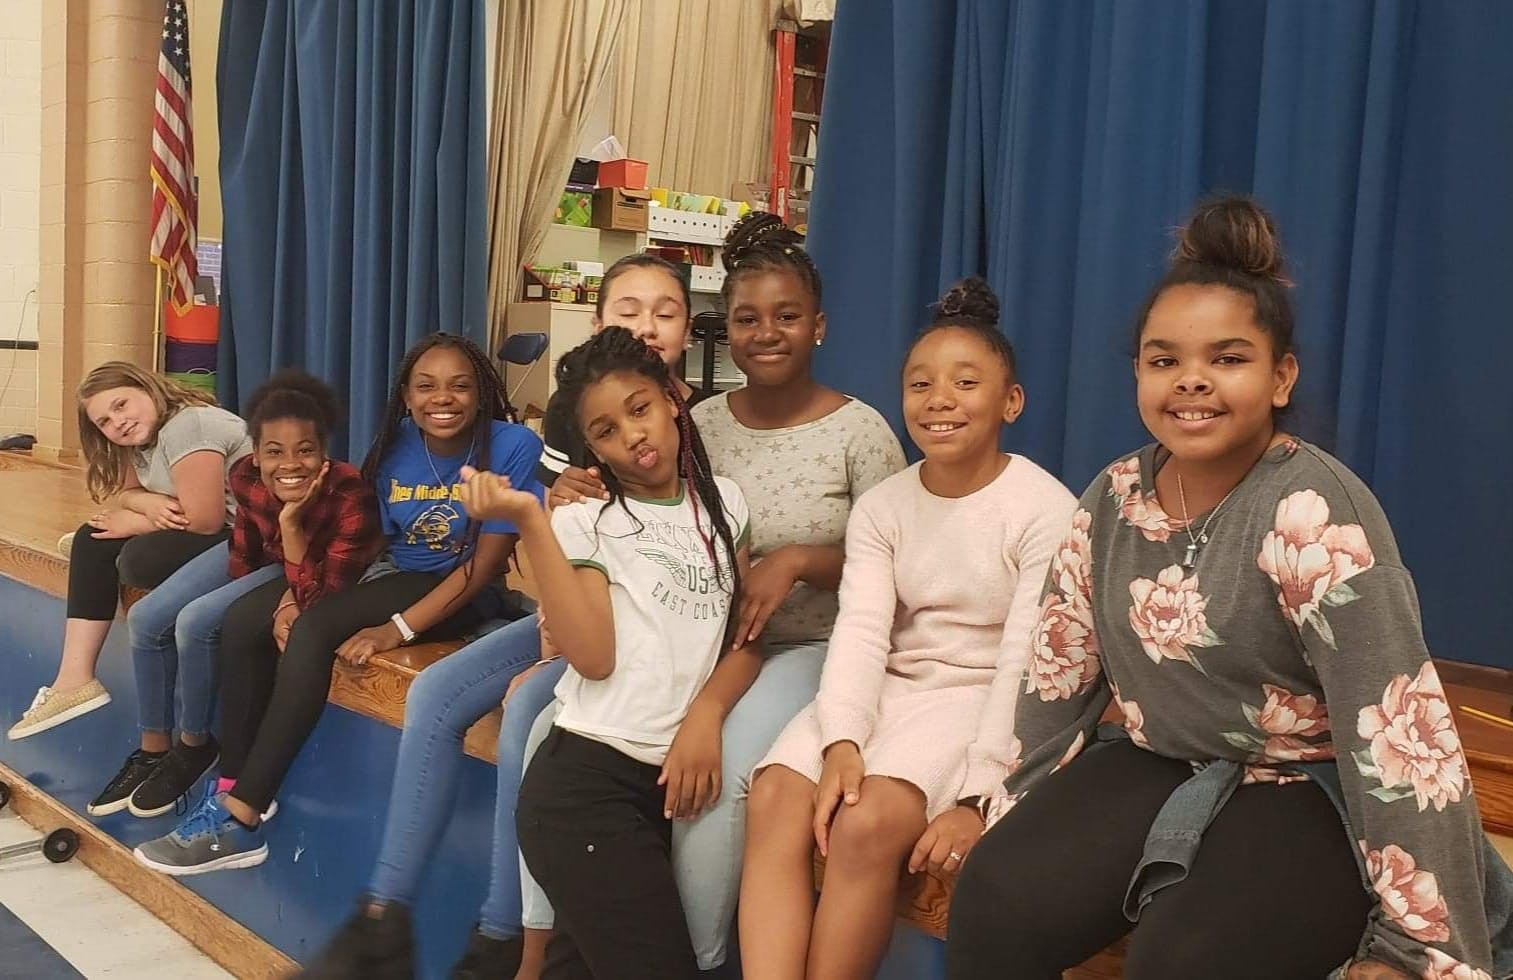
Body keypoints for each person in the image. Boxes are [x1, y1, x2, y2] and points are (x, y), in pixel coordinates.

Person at [945, 197, 1513, 980]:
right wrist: (1005, 813)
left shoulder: (1314, 514)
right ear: (1138, 374)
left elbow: (1401, 734)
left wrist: (1414, 947)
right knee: (996, 896)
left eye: (1227, 358)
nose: (1191, 381)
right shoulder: (1110, 498)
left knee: (1183, 962)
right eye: (1163, 361)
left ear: (1281, 377)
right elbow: (1054, 686)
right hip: (1160, 756)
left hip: (1309, 781)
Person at [296, 254, 705, 979]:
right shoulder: (576, 413)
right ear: (599, 321)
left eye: (664, 311)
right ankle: (383, 918)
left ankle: (503, 936)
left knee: (524, 719)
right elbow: (550, 549)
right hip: (569, 616)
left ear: (688, 327)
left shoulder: (699, 423)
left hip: (637, 640)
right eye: (628, 309)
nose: (646, 324)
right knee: (434, 692)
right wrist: (556, 517)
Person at [529, 212, 907, 973]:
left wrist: (798, 560)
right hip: (705, 635)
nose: (766, 333)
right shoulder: (698, 420)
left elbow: (895, 564)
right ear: (724, 331)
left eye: (786, 316)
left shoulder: (861, 432)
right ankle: (542, 945)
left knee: (726, 766)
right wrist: (569, 491)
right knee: (539, 729)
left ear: (819, 326)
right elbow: (640, 505)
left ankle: (694, 957)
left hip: (805, 642)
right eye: (746, 318)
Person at [738, 277, 1075, 978]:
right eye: (920, 384)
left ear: (1010, 401)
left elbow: (1024, 665)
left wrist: (982, 795)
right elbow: (861, 633)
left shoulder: (1045, 508)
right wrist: (841, 739)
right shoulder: (884, 507)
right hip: (889, 687)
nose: (939, 399)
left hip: (977, 702)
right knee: (772, 797)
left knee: (863, 824)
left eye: (965, 383)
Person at [131, 334, 541, 875]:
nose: (442, 397)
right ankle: (229, 782)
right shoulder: (396, 443)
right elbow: (368, 542)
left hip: (458, 584)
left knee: (313, 630)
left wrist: (396, 629)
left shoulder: (511, 444)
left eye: (459, 386)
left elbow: (482, 566)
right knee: (245, 619)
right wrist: (293, 595)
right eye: (426, 386)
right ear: (407, 396)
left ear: (481, 393)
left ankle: (244, 812)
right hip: (392, 571)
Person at [507, 326, 755, 978]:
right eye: (606, 430)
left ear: (672, 398)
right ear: (591, 447)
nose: (632, 435)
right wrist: (534, 524)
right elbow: (592, 658)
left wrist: (706, 715)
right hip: (584, 791)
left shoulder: (725, 504)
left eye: (640, 408)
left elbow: (746, 639)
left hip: (662, 792)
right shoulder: (585, 519)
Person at [107, 371, 379, 838]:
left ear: (325, 452)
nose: (290, 463)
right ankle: (155, 748)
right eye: (274, 451)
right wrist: (242, 587)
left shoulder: (350, 492)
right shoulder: (246, 476)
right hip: (273, 562)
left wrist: (289, 539)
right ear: (255, 452)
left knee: (198, 621)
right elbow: (245, 557)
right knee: (150, 616)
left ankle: (196, 745)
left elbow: (320, 593)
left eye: (305, 450)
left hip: (315, 571)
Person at [9, 362, 251, 740]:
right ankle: (74, 679)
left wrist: (136, 523)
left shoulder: (189, 425)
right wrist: (147, 504)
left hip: (248, 536)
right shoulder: (142, 437)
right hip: (203, 526)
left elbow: (205, 521)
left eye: (121, 405)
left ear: (147, 388)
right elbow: (127, 491)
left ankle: (110, 559)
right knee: (93, 539)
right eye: (104, 421)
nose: (118, 422)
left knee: (138, 561)